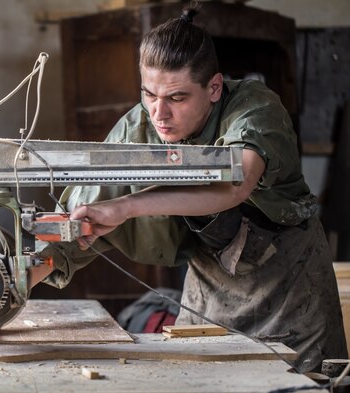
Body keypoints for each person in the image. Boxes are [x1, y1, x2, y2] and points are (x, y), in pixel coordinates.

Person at [41, 4, 347, 372]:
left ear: (214, 87)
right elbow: (84, 212)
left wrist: (126, 207)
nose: (159, 114)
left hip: (290, 289)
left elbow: (235, 185)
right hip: (209, 286)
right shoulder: (141, 127)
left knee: (301, 383)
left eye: (176, 98)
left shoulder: (255, 107)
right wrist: (10, 286)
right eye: (149, 94)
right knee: (196, 379)